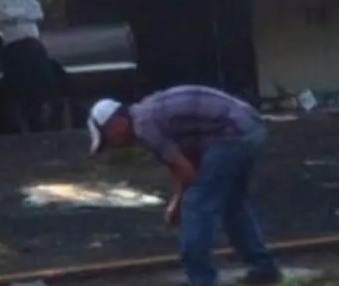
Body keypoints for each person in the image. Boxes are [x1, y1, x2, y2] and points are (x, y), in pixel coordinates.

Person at [87, 85, 282, 286]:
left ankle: (200, 279)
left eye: (108, 139)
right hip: (248, 127)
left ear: (116, 124)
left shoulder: (144, 127)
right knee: (232, 204)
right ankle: (263, 268)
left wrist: (180, 204)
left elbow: (186, 171)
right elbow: (187, 164)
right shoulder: (148, 113)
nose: (114, 145)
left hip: (232, 134)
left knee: (196, 206)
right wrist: (177, 200)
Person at [0, 0, 58, 132]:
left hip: (33, 43)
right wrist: (23, 15)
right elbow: (3, 16)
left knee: (45, 78)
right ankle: (27, 122)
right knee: (22, 86)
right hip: (14, 47)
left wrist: (18, 16)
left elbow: (37, 13)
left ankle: (46, 115)